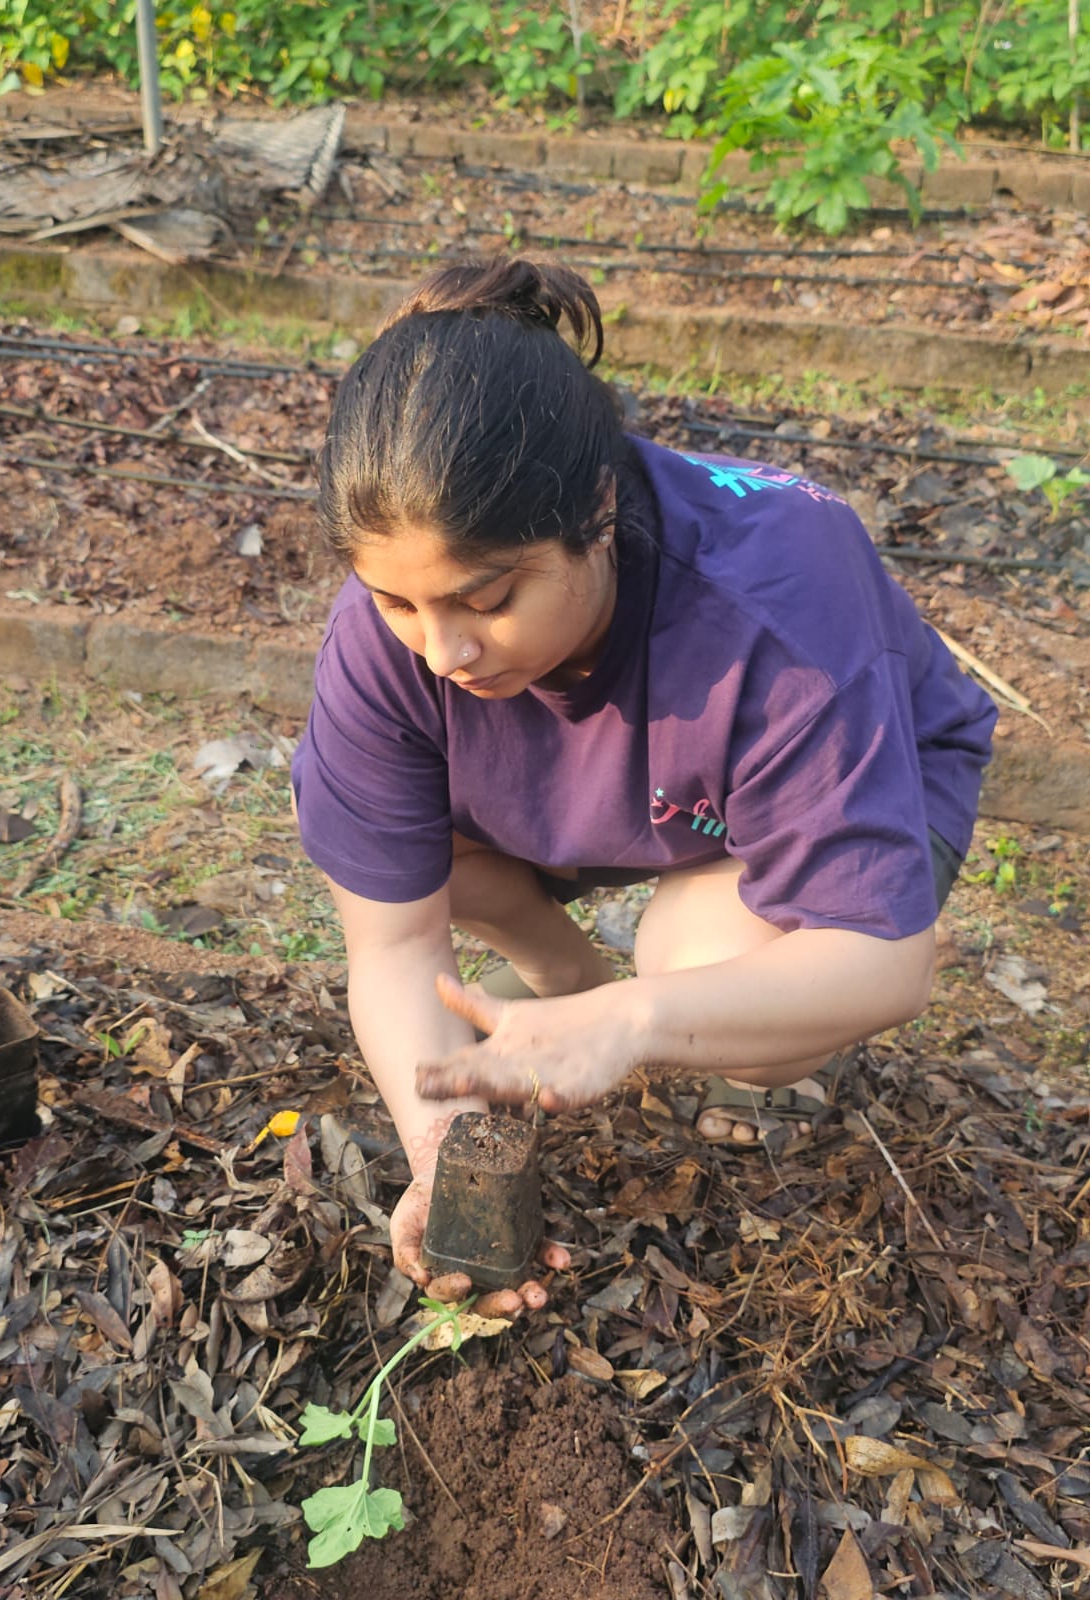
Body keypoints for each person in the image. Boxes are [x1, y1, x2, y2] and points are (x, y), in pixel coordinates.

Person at [290, 257, 997, 1312]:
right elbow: (394, 944)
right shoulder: (390, 636)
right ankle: (564, 971)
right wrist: (443, 1156)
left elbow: (884, 962)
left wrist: (634, 1021)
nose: (443, 651)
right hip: (624, 787)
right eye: (398, 604)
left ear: (600, 508)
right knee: (393, 844)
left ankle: (667, 996)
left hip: (836, 776)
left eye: (489, 598)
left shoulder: (780, 611)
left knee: (702, 965)